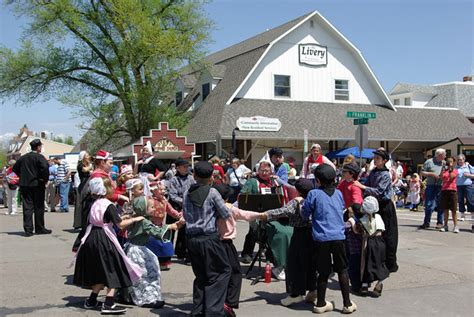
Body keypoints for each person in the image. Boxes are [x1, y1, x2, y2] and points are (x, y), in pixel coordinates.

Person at [73, 177, 144, 314]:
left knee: (101, 271)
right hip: (104, 239)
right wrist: (134, 219)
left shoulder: (94, 203)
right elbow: (119, 224)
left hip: (91, 238)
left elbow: (105, 219)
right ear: (105, 189)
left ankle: (92, 300)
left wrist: (121, 217)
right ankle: (109, 303)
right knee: (115, 268)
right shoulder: (107, 204)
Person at [302, 164, 356, 314]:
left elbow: (305, 213)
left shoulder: (313, 194)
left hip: (321, 239)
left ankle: (320, 303)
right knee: (342, 270)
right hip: (339, 236)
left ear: (318, 180)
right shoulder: (338, 193)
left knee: (323, 271)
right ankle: (347, 303)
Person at [182, 161, 231, 316]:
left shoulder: (186, 192)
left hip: (192, 238)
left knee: (201, 275)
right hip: (209, 238)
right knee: (221, 272)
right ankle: (213, 311)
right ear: (211, 177)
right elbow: (225, 214)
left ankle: (198, 311)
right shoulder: (213, 192)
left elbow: (184, 214)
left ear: (194, 175)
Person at [262, 179, 318, 307]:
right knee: (311, 264)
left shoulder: (296, 202)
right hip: (314, 234)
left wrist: (264, 214)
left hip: (300, 235)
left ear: (297, 190)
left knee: (295, 264)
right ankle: (312, 290)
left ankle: (295, 294)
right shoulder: (315, 199)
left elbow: (282, 211)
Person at [213, 184, 263, 316]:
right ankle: (229, 303)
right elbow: (245, 215)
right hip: (225, 244)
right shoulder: (229, 208)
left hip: (211, 243)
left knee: (215, 273)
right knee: (235, 273)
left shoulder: (209, 207)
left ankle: (214, 301)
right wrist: (262, 214)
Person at [123, 196, 182, 308]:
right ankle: (147, 298)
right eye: (151, 207)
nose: (154, 208)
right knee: (148, 274)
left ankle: (127, 296)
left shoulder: (135, 217)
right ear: (142, 208)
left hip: (132, 249)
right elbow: (156, 231)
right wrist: (172, 226)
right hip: (137, 251)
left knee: (134, 275)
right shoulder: (144, 221)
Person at [240, 161, 291, 280]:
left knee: (289, 230)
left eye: (266, 171)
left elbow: (282, 196)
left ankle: (285, 262)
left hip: (275, 215)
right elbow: (243, 197)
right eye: (262, 170)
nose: (264, 173)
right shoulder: (252, 181)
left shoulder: (274, 182)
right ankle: (276, 262)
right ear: (258, 171)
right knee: (270, 232)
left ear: (271, 172)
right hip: (258, 216)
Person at [353, 149, 399, 273]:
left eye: (378, 158)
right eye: (375, 157)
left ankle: (390, 263)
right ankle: (377, 261)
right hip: (374, 206)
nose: (375, 159)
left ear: (384, 161)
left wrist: (362, 187)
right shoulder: (374, 172)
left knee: (388, 235)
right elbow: (366, 184)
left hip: (385, 206)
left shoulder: (385, 174)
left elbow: (379, 191)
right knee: (375, 233)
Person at [349, 196, 389, 297]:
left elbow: (356, 231)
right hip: (380, 243)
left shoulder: (362, 220)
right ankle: (379, 284)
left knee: (366, 263)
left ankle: (364, 285)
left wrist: (352, 221)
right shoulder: (379, 217)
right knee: (380, 263)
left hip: (368, 243)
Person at [13, 139, 51, 237]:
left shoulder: (23, 158)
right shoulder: (40, 157)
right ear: (38, 147)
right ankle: (39, 228)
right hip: (38, 184)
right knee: (39, 207)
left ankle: (28, 229)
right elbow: (45, 168)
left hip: (25, 184)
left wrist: (22, 176)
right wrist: (44, 179)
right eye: (40, 146)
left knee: (27, 206)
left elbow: (15, 168)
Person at [147, 181, 183, 271]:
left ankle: (162, 262)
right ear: (154, 190)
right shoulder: (148, 200)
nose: (163, 191)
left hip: (160, 227)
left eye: (164, 189)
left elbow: (171, 211)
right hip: (150, 226)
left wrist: (179, 215)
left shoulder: (164, 200)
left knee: (164, 245)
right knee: (151, 246)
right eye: (161, 189)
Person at [168, 158, 195, 262]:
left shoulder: (191, 178)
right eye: (184, 167)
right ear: (178, 168)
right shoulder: (173, 180)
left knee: (184, 231)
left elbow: (193, 190)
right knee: (172, 230)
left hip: (187, 207)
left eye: (187, 166)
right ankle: (168, 252)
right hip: (175, 207)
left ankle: (181, 252)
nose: (186, 168)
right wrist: (184, 201)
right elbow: (172, 195)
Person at [418, 148, 446, 230]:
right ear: (439, 155)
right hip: (431, 185)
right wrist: (432, 174)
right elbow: (422, 172)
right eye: (444, 155)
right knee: (429, 204)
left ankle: (440, 222)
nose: (445, 156)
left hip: (441, 185)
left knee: (441, 204)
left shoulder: (444, 163)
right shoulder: (429, 162)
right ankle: (426, 222)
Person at [439, 158, 459, 233]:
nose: (449, 163)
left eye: (450, 162)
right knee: (445, 209)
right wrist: (443, 168)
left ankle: (455, 226)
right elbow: (441, 178)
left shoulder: (455, 171)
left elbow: (451, 177)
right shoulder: (444, 171)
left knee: (453, 209)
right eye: (448, 162)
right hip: (444, 190)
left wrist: (450, 169)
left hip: (452, 190)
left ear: (453, 163)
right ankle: (445, 225)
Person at [455, 154, 474, 221]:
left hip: (468, 185)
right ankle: (462, 214)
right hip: (459, 186)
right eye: (458, 160)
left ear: (464, 160)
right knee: (460, 200)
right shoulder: (456, 167)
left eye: (461, 160)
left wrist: (468, 175)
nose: (459, 161)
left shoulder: (468, 166)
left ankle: (472, 214)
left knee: (470, 200)